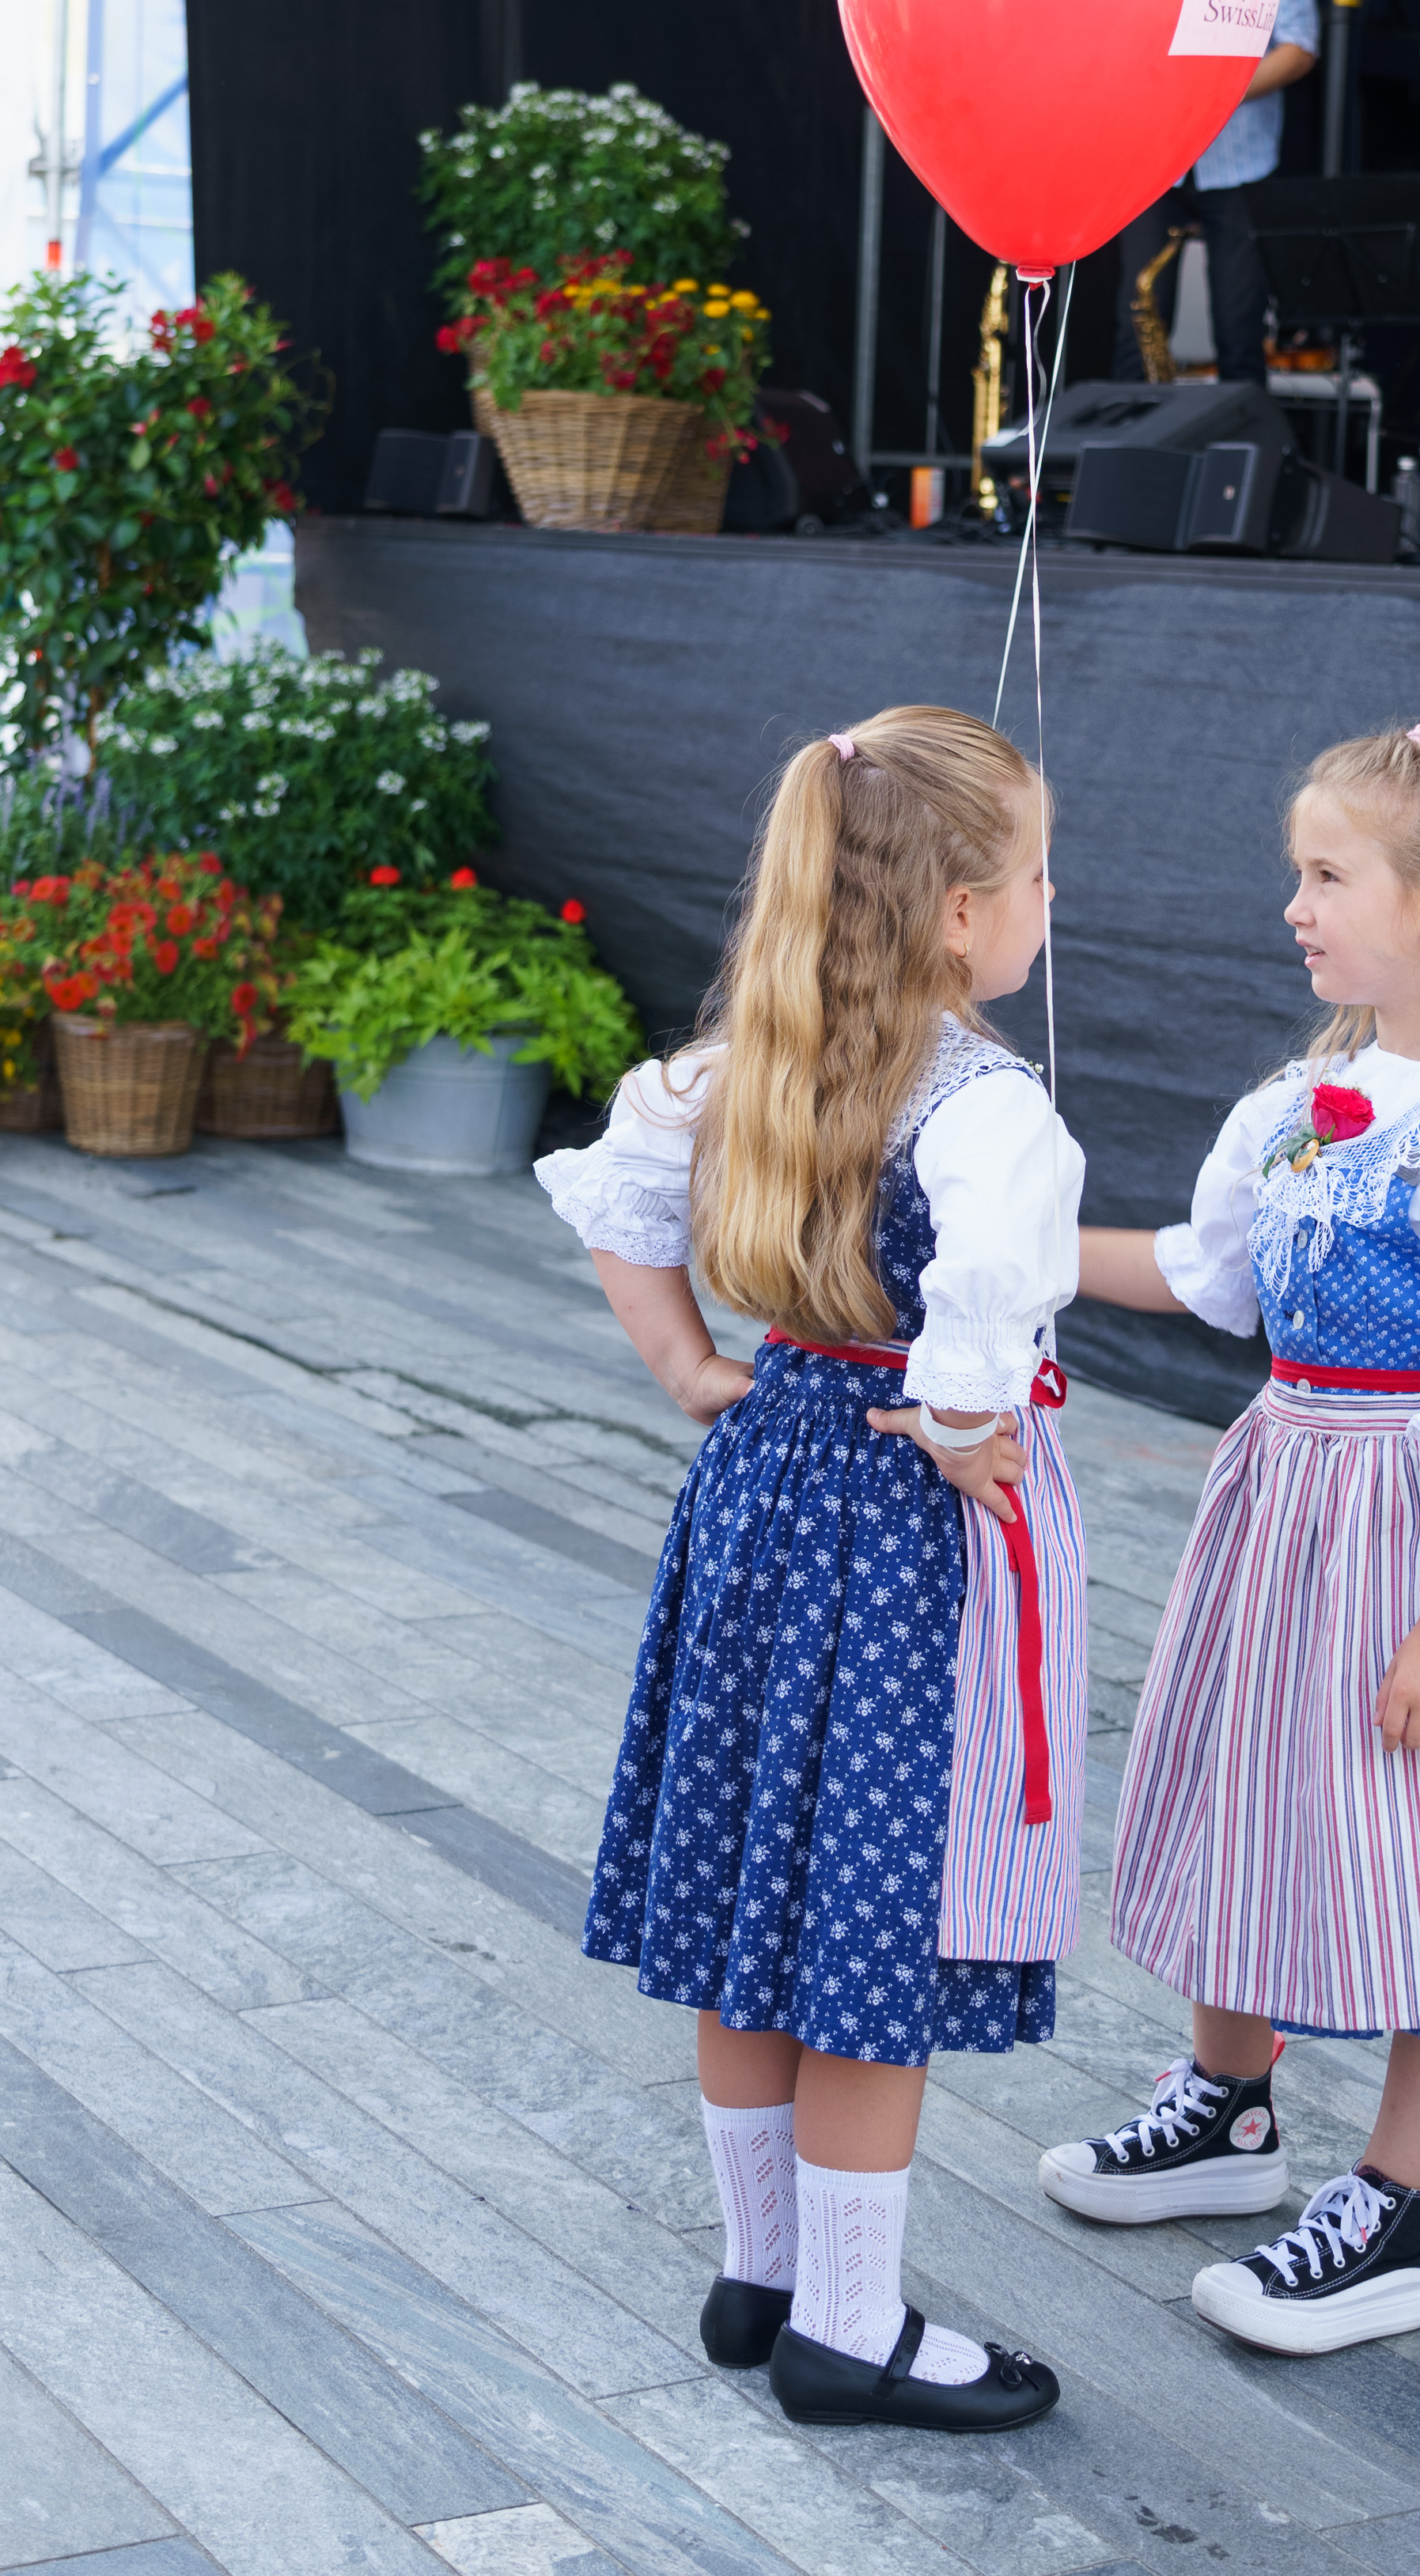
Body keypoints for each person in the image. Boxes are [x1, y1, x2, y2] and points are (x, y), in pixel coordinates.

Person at [1043, 717, 1420, 2356]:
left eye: (1324, 874)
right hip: (1284, 1496)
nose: (1293, 905)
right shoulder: (1302, 1101)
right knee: (1255, 1800)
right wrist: (1028, 1248)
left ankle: (1393, 2214)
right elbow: (1205, 1273)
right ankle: (1227, 2105)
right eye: (1295, 871)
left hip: (1413, 1516)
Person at [536, 706, 1083, 2434]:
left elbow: (621, 1207)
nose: (1047, 899)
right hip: (900, 1542)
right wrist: (961, 1424)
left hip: (761, 1496)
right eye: (1036, 872)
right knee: (865, 1921)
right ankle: (847, 2326)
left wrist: (700, 1370)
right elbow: (983, 1308)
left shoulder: (739, 1064)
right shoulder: (986, 1104)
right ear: (955, 918)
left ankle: (757, 2271)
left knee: (747, 1896)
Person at [1111, 0, 1319, 384]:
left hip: (1240, 159)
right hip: (1153, 155)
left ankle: (1241, 454)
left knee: (1240, 332)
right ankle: (1132, 451)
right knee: (1137, 330)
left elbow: (1300, 44)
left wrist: (1211, 96)